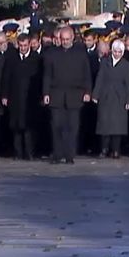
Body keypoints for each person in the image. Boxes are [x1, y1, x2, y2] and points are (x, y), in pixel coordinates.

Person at [43, 27, 92, 164]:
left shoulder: (80, 54)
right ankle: (57, 154)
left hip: (75, 95)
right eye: (62, 39)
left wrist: (88, 92)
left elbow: (86, 74)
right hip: (56, 94)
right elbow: (47, 75)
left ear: (72, 38)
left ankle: (70, 154)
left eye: (67, 39)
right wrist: (46, 93)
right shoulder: (52, 54)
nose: (64, 42)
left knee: (73, 127)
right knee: (56, 126)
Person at [1, 34, 42, 160]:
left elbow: (40, 79)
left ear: (29, 44)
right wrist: (4, 95)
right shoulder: (12, 58)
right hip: (15, 97)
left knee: (29, 127)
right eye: (21, 46)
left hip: (31, 98)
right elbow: (6, 78)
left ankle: (29, 152)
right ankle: (18, 152)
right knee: (16, 126)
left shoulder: (36, 58)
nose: (23, 48)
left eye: (25, 45)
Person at [92, 39, 129, 159]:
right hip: (105, 95)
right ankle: (104, 149)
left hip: (119, 97)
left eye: (119, 52)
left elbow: (128, 83)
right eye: (115, 51)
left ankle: (116, 150)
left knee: (117, 126)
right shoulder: (105, 61)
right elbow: (100, 78)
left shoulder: (126, 64)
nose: (117, 54)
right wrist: (95, 95)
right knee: (104, 125)